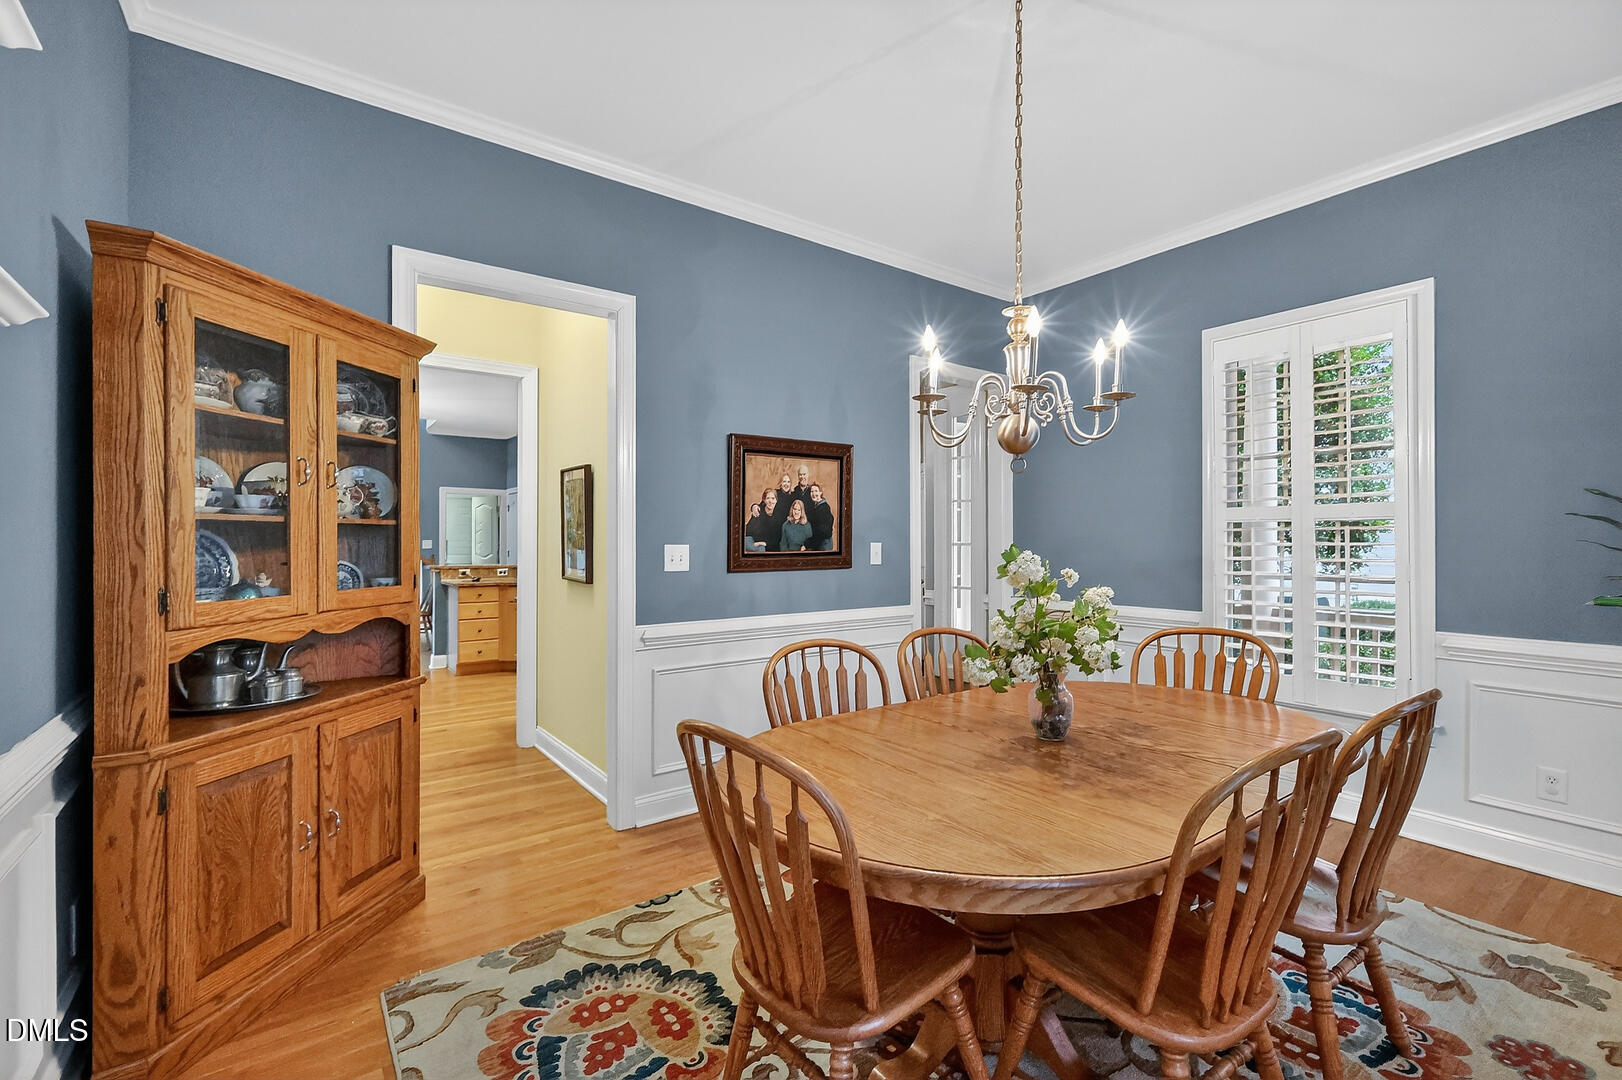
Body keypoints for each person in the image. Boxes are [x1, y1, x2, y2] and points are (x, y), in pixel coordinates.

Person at [806, 482, 835, 551]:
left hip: (824, 544)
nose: (813, 494)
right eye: (811, 491)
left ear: (820, 493)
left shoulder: (824, 508)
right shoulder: (816, 507)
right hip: (820, 542)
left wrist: (809, 544)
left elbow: (824, 531)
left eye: (816, 491)